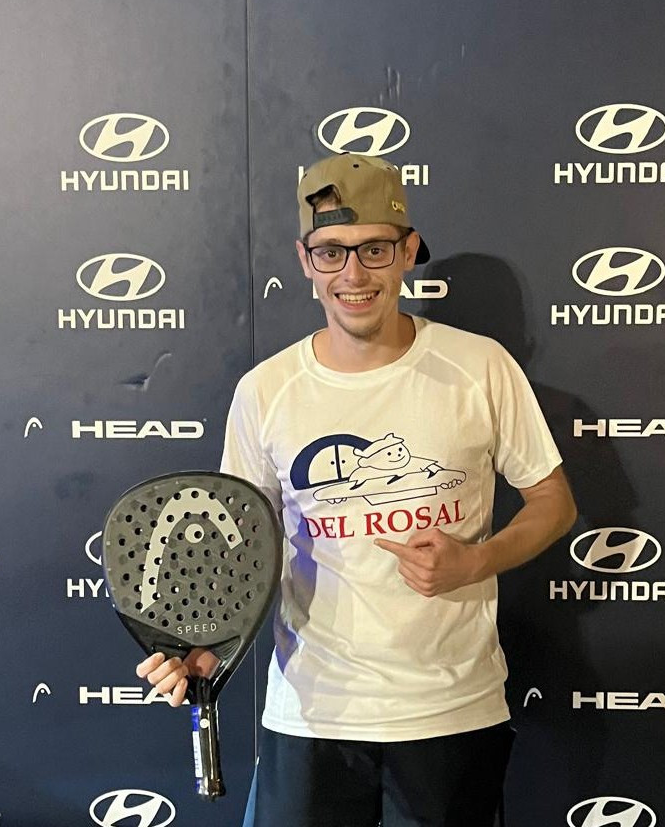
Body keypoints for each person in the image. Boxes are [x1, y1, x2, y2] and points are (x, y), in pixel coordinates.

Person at [136, 152, 577, 826]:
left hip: (450, 711)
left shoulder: (480, 366)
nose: (353, 274)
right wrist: (210, 644)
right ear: (305, 260)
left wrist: (475, 561)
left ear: (408, 252)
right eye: (331, 252)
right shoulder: (266, 391)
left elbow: (554, 501)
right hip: (310, 715)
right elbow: (243, 549)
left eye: (374, 249)